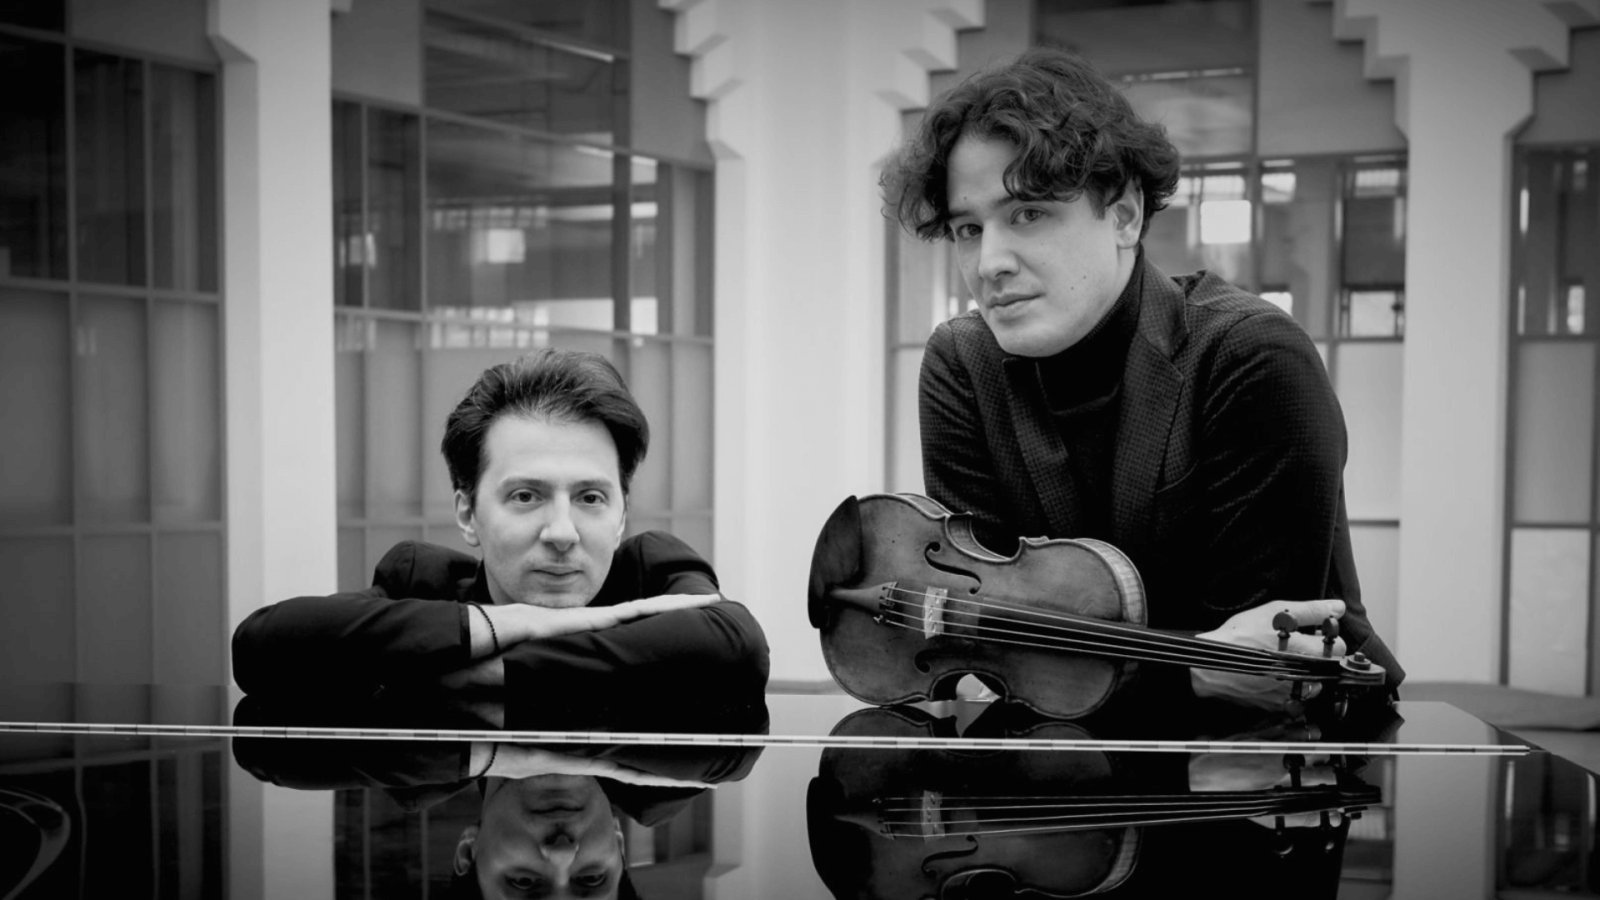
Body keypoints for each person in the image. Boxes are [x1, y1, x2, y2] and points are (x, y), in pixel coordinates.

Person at [879, 47, 1401, 709]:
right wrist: (1192, 666)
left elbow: (1258, 670)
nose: (989, 263)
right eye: (967, 229)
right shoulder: (961, 364)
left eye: (1028, 214)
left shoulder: (1250, 355)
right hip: (1054, 747)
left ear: (1124, 216)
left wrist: (1188, 668)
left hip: (1291, 750)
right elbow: (985, 635)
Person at [232, 349, 769, 728]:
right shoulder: (422, 581)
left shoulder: (651, 570)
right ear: (468, 513)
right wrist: (507, 623)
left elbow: (738, 648)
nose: (562, 533)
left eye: (590, 498)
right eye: (526, 496)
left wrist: (499, 669)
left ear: (622, 515)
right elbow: (263, 646)